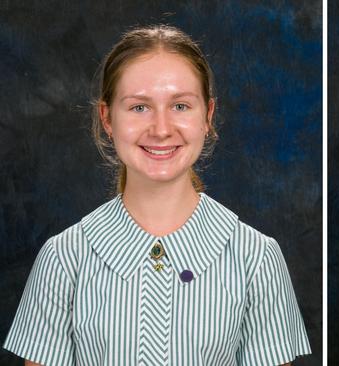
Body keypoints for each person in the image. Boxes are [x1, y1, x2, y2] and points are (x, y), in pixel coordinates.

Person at [3, 25, 311, 366]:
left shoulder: (257, 260)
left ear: (207, 116)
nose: (162, 129)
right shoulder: (63, 261)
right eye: (139, 108)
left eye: (180, 106)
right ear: (107, 118)